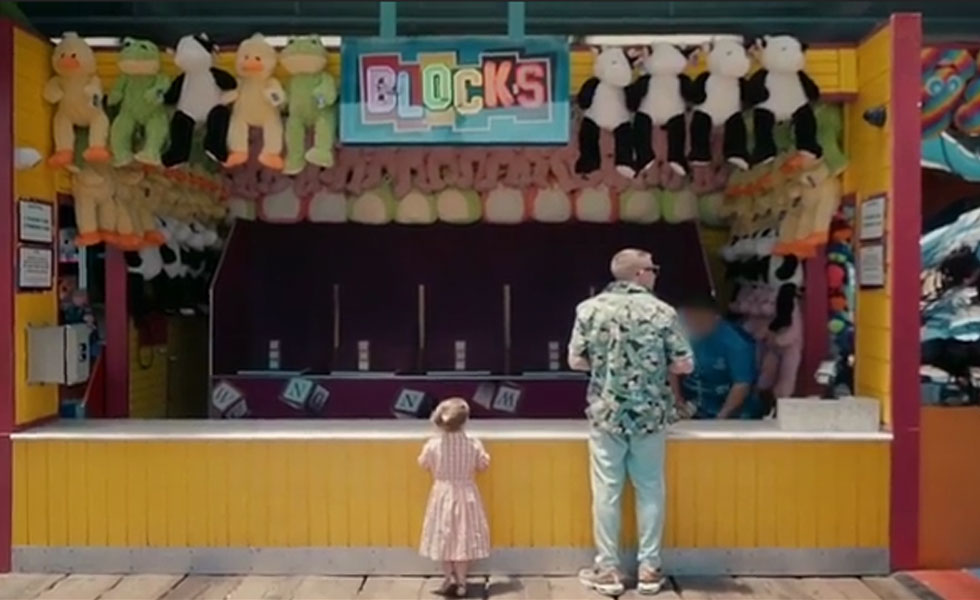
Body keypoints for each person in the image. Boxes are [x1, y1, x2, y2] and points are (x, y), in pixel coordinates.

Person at [568, 248, 694, 596]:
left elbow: (575, 362)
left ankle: (608, 570)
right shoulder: (662, 312)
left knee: (606, 491)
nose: (656, 274)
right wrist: (653, 366)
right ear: (638, 274)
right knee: (650, 489)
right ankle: (649, 569)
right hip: (651, 415)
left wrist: (608, 365)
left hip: (606, 414)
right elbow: (684, 365)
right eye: (653, 268)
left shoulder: (589, 309)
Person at [418, 397, 491, 598]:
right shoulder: (473, 444)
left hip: (442, 494)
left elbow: (423, 463)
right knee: (462, 538)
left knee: (444, 537)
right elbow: (483, 465)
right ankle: (461, 583)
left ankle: (448, 577)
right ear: (465, 421)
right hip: (466, 494)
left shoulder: (433, 445)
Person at [675, 295, 764, 419]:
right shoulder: (678, 333)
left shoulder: (736, 343)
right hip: (692, 407)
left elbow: (742, 383)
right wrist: (678, 401)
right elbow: (669, 368)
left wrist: (721, 417)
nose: (693, 326)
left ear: (716, 319)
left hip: (733, 413)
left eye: (699, 321)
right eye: (689, 321)